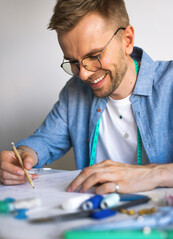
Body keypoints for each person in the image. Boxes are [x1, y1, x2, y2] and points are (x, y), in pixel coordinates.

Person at [0, 0, 173, 194]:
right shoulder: (75, 91)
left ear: (128, 40)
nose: (83, 74)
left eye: (95, 55)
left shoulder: (170, 83)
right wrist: (21, 157)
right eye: (74, 62)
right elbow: (45, 141)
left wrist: (151, 174)